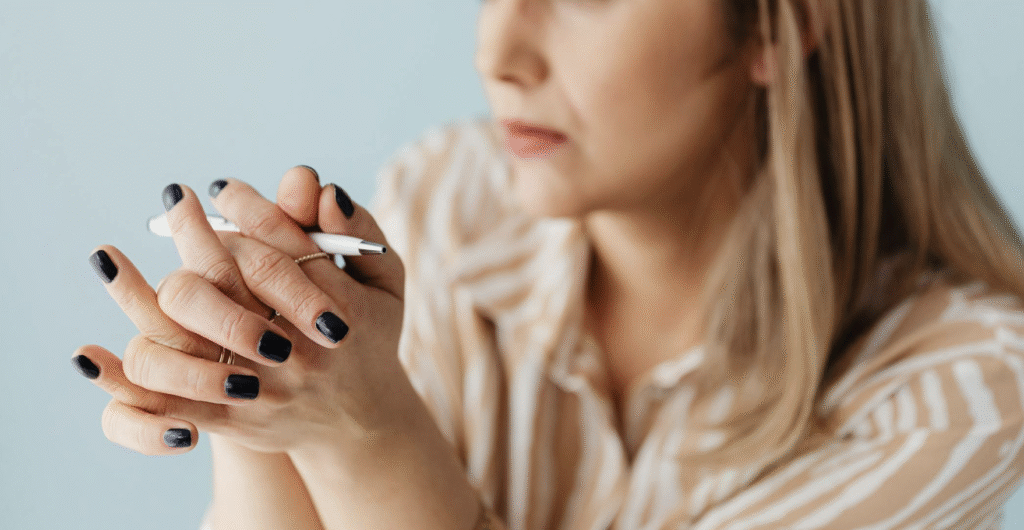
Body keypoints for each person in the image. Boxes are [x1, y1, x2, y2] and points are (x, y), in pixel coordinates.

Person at [72, 0, 1024, 528]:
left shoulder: (965, 388)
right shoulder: (446, 199)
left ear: (778, 27)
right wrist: (248, 388)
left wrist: (370, 433)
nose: (498, 53)